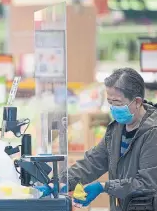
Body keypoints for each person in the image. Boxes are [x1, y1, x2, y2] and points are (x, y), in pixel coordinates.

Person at [38, 68, 157, 211]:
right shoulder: (116, 129)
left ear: (137, 101)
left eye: (118, 103)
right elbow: (93, 162)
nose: (113, 108)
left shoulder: (152, 132)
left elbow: (147, 183)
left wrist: (104, 187)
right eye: (110, 102)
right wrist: (61, 181)